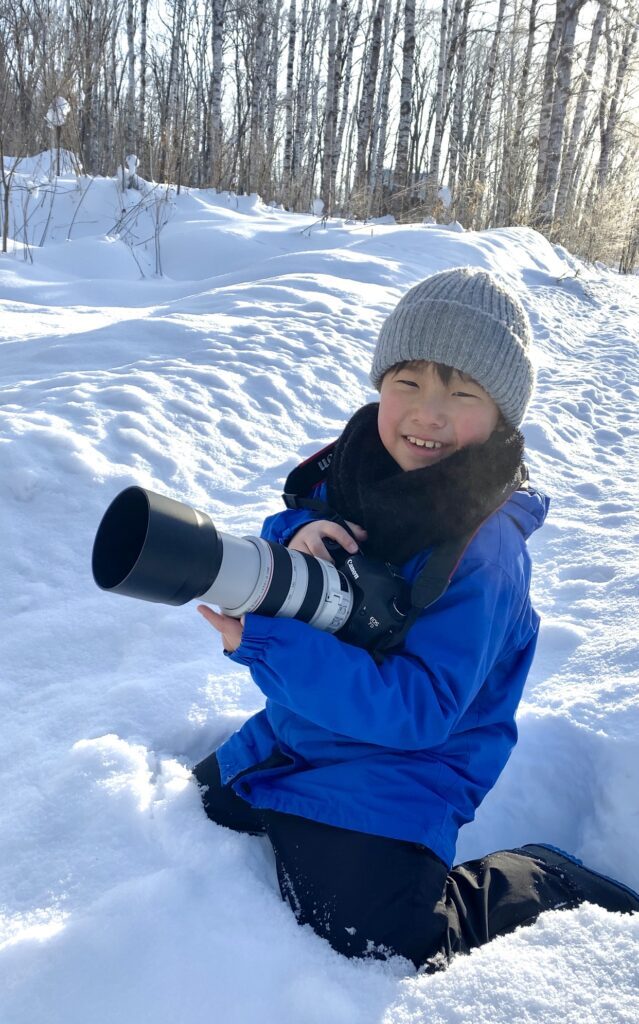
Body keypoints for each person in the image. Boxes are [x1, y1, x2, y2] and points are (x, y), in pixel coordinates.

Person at [193, 267, 639, 970]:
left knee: (368, 940)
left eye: (460, 393)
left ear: (501, 416)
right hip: (294, 737)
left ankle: (538, 880)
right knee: (192, 818)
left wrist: (269, 643)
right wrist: (293, 543)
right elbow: (292, 540)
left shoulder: (485, 551)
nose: (426, 412)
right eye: (407, 383)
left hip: (399, 775)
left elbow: (421, 709)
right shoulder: (350, 474)